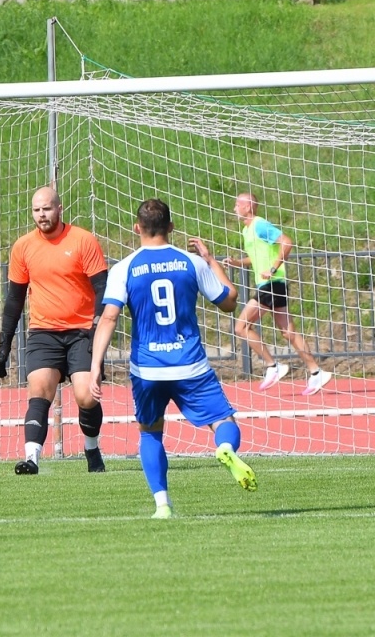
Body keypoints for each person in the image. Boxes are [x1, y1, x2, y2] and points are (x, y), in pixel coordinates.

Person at [89, 198, 258, 519]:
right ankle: (224, 448)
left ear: (136, 228)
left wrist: (96, 365)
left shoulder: (125, 267)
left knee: (151, 432)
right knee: (223, 421)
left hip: (148, 368)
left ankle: (162, 504)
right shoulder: (190, 263)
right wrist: (210, 260)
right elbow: (229, 302)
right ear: (171, 227)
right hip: (190, 364)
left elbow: (109, 317)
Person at [0, 183, 110, 475]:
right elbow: (14, 299)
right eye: (36, 210)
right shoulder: (23, 247)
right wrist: (3, 346)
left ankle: (92, 449)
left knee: (86, 396)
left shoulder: (84, 241)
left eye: (47, 208)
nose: (42, 215)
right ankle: (31, 459)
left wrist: (97, 329)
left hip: (82, 332)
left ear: (59, 209)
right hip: (44, 333)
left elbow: (102, 289)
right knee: (39, 390)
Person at [222, 193, 332, 394]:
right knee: (288, 332)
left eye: (238, 204)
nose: (234, 208)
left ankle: (273, 366)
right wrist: (238, 262)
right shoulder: (247, 230)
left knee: (242, 326)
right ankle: (317, 373)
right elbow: (256, 257)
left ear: (248, 207)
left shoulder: (260, 225)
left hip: (271, 283)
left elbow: (286, 242)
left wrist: (273, 268)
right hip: (274, 284)